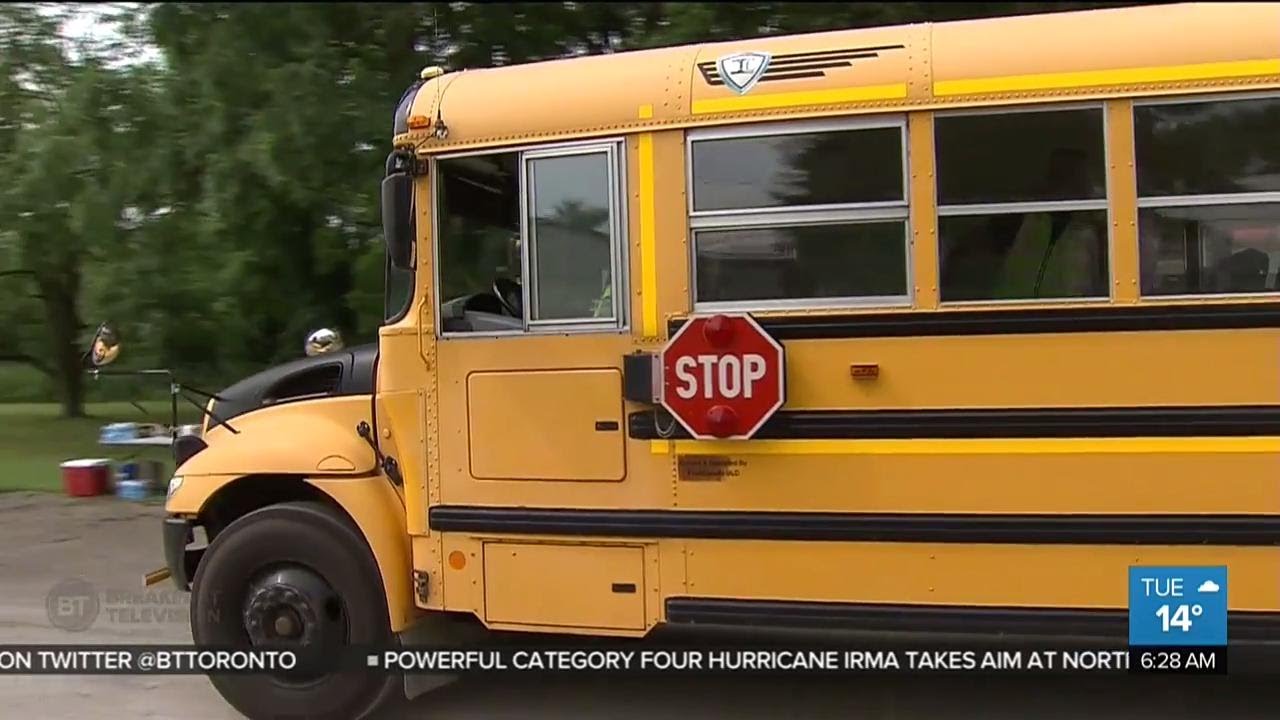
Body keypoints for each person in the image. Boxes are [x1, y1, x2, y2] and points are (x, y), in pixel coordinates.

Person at [993, 147, 1104, 299]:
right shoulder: (1027, 221)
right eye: (1059, 176)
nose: (1065, 184)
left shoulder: (1100, 227)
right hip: (1017, 309)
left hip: (1074, 313)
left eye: (1073, 175)